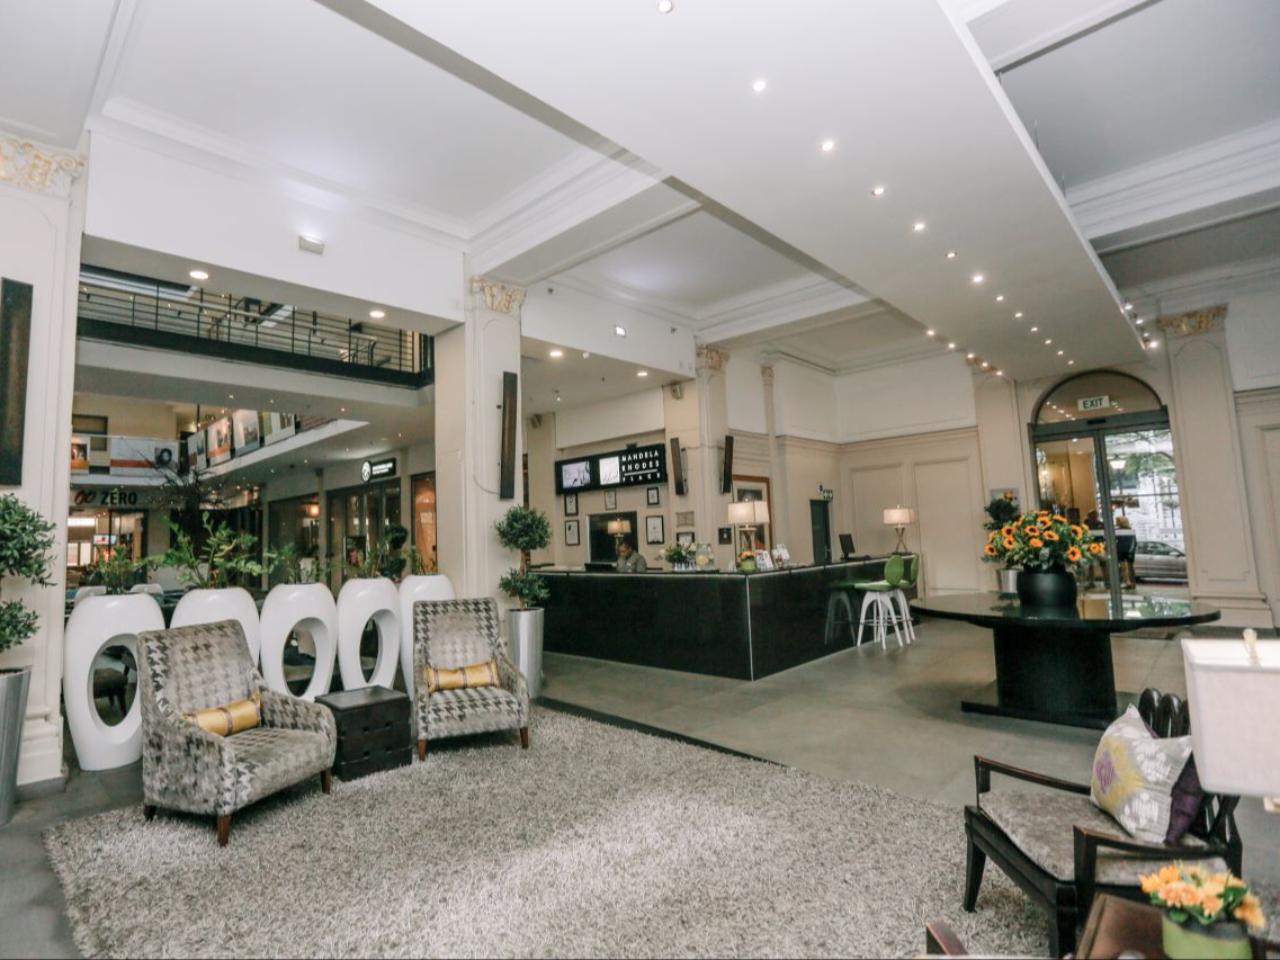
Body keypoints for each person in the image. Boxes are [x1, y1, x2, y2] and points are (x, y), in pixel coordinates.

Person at [1115, 515, 1138, 589]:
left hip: (1128, 550)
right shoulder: (1117, 530)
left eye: (1118, 521)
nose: (1116, 523)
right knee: (1123, 567)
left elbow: (1134, 541)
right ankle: (1127, 582)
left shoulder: (1129, 530)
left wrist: (1131, 550)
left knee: (1130, 567)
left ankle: (1132, 582)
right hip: (1120, 550)